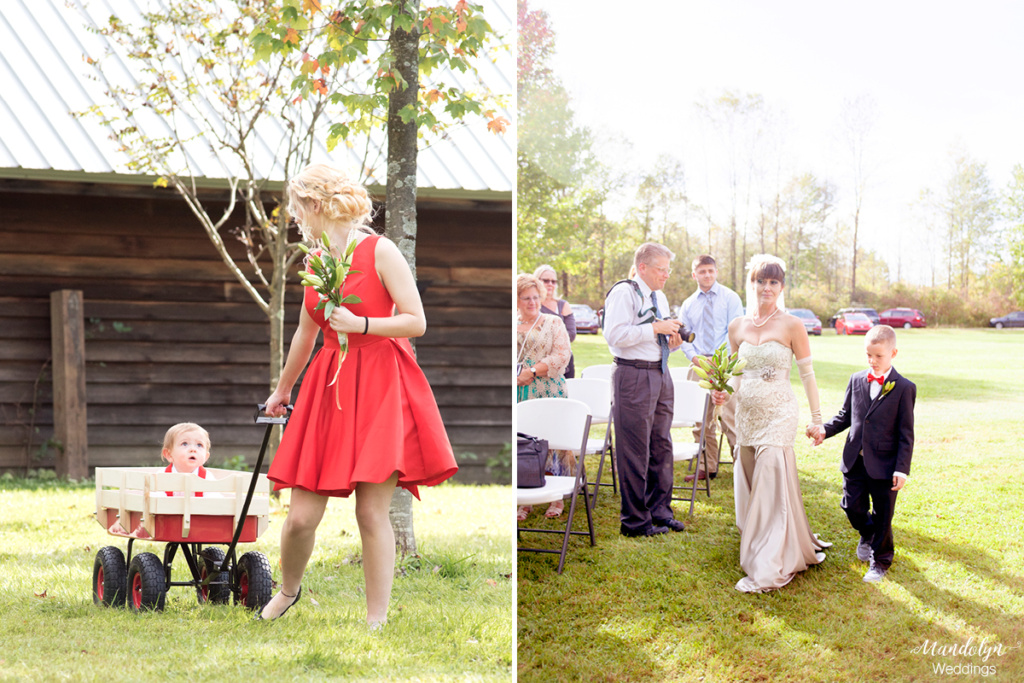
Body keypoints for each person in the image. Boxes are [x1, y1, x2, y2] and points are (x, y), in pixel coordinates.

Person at [259, 163, 458, 627]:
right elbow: (306, 334)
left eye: (296, 207)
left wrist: (363, 324)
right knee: (301, 516)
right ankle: (288, 591)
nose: (295, 216)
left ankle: (376, 618)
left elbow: (416, 321)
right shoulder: (314, 263)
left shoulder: (380, 251)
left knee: (372, 512)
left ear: (313, 204)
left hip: (380, 382)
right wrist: (283, 390)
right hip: (327, 387)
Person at [711, 254, 830, 592]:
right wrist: (722, 394)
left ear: (781, 287)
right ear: (752, 284)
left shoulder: (792, 324)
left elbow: (807, 375)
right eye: (761, 281)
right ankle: (761, 536)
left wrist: (817, 420)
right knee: (750, 477)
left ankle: (769, 563)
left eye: (773, 282)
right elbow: (734, 377)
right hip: (745, 416)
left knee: (771, 474)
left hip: (779, 413)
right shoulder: (738, 327)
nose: (766, 287)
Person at [808, 325, 915, 583]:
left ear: (893, 353)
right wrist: (824, 430)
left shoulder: (904, 388)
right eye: (868, 355)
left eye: (879, 356)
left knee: (883, 515)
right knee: (851, 506)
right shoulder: (857, 380)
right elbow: (847, 416)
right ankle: (866, 534)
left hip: (886, 465)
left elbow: (906, 433)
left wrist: (901, 469)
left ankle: (880, 560)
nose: (872, 361)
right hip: (855, 459)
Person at [603, 242, 687, 537]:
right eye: (662, 269)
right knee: (634, 449)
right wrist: (655, 329)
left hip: (660, 373)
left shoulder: (659, 296)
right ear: (643, 268)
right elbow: (614, 335)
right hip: (633, 375)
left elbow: (656, 339)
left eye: (668, 269)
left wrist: (671, 342)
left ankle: (660, 512)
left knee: (661, 445)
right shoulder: (624, 292)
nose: (666, 275)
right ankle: (636, 522)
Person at [677, 255, 744, 482]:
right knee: (701, 419)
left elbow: (734, 330)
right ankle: (707, 465)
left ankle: (741, 466)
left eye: (710, 271)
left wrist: (719, 357)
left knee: (729, 416)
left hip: (725, 364)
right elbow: (684, 336)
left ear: (716, 272)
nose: (707, 275)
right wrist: (695, 358)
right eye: (702, 271)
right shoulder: (688, 304)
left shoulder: (730, 298)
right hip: (699, 365)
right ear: (694, 274)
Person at [516, 273, 572, 520]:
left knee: (552, 442)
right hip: (520, 392)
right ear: (517, 300)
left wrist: (531, 371)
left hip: (549, 389)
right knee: (525, 443)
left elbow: (562, 355)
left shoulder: (553, 322)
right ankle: (525, 498)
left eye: (536, 297)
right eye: (526, 298)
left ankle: (556, 498)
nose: (532, 302)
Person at [533, 264, 577, 379]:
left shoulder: (562, 305)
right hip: (536, 364)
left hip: (564, 363)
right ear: (536, 281)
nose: (550, 284)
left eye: (553, 281)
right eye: (546, 281)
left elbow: (571, 335)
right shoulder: (531, 305)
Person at [160, 423, 210, 496]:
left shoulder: (207, 478)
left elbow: (215, 503)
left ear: (206, 456)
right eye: (185, 444)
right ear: (169, 455)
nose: (193, 449)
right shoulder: (162, 477)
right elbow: (155, 501)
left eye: (199, 445)